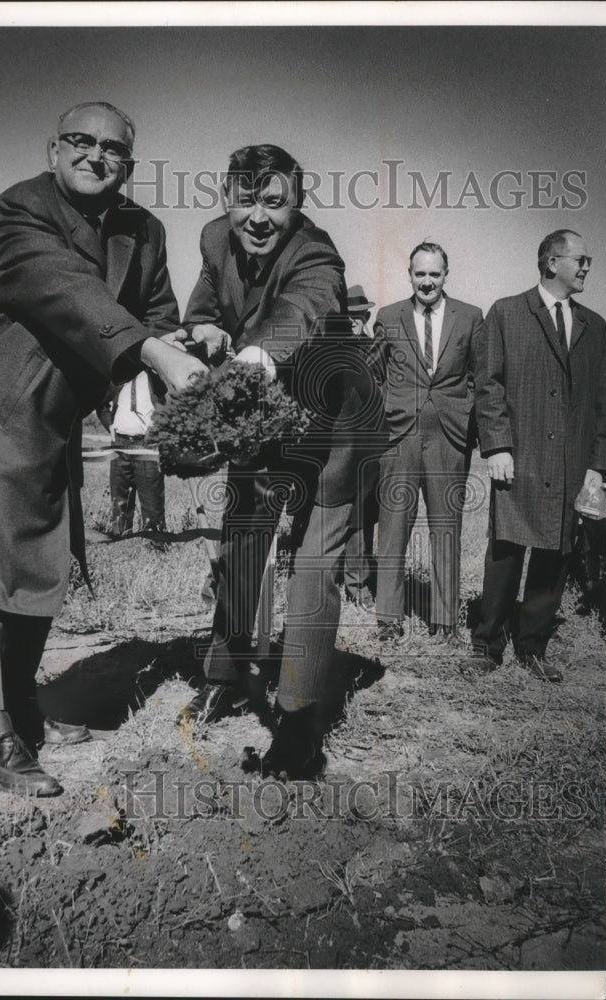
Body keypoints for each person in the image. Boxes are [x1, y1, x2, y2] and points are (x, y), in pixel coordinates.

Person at [0, 101, 205, 796]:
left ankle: (21, 705)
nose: (95, 155)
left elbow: (160, 313)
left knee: (41, 565)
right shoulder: (23, 207)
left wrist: (191, 340)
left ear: (128, 167)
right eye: (81, 141)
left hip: (53, 422)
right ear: (55, 148)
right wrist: (151, 350)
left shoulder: (145, 230)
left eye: (113, 149)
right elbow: (65, 291)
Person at [176, 144, 381, 779]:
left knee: (314, 564)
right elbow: (205, 302)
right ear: (225, 199)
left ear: (297, 204)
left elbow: (303, 310)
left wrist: (256, 358)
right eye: (245, 200)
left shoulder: (318, 254)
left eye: (275, 202)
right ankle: (228, 672)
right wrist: (205, 327)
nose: (258, 217)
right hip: (259, 415)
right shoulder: (215, 239)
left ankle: (298, 720)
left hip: (334, 422)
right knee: (242, 544)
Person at [466, 229, 606, 681]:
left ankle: (533, 647)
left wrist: (596, 466)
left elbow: (603, 401)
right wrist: (497, 445)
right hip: (519, 455)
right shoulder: (507, 313)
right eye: (579, 259)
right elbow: (487, 386)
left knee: (557, 553)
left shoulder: (594, 325)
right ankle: (486, 646)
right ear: (550, 263)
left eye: (588, 261)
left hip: (571, 463)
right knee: (506, 549)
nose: (587, 266)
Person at [369, 243, 482, 642]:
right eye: (420, 274)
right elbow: (375, 375)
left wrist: (468, 421)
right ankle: (388, 619)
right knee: (393, 528)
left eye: (434, 274)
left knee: (446, 528)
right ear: (410, 275)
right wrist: (387, 413)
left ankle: (445, 621)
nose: (427, 281)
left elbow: (478, 377)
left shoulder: (470, 317)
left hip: (449, 439)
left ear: (446, 274)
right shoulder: (388, 317)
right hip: (398, 438)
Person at [97, 370, 168, 548]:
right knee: (120, 500)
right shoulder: (117, 378)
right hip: (120, 445)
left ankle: (156, 545)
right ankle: (120, 543)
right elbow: (101, 403)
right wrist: (109, 425)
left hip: (147, 446)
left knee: (152, 501)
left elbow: (171, 404)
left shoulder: (156, 377)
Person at [341, 285, 380, 609]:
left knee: (364, 516)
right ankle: (353, 585)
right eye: (347, 316)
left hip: (369, 446)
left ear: (366, 317)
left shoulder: (375, 350)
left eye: (358, 316)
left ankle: (359, 583)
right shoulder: (330, 350)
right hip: (335, 447)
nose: (352, 321)